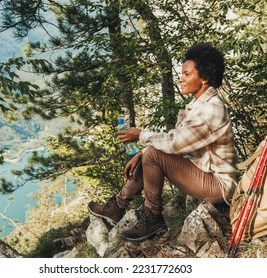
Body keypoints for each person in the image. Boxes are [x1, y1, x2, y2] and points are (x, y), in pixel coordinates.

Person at [88, 43, 239, 242]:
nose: (181, 78)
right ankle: (117, 207)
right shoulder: (198, 105)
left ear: (204, 78)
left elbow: (175, 143)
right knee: (151, 151)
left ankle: (153, 217)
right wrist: (141, 153)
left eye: (186, 74)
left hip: (218, 186)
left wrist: (141, 135)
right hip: (203, 176)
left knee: (154, 153)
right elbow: (178, 140)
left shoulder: (211, 109)